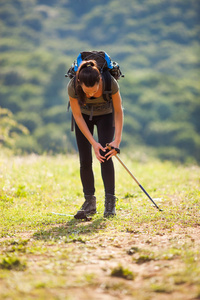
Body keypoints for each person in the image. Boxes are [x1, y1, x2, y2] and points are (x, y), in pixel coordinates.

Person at [67, 59, 123, 218]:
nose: (90, 95)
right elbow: (77, 116)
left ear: (99, 80)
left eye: (93, 91)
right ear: (79, 83)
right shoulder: (73, 86)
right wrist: (94, 143)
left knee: (106, 156)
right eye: (86, 92)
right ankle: (89, 202)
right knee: (85, 160)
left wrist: (116, 141)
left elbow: (118, 111)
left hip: (106, 116)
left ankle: (110, 203)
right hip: (83, 118)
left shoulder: (109, 83)